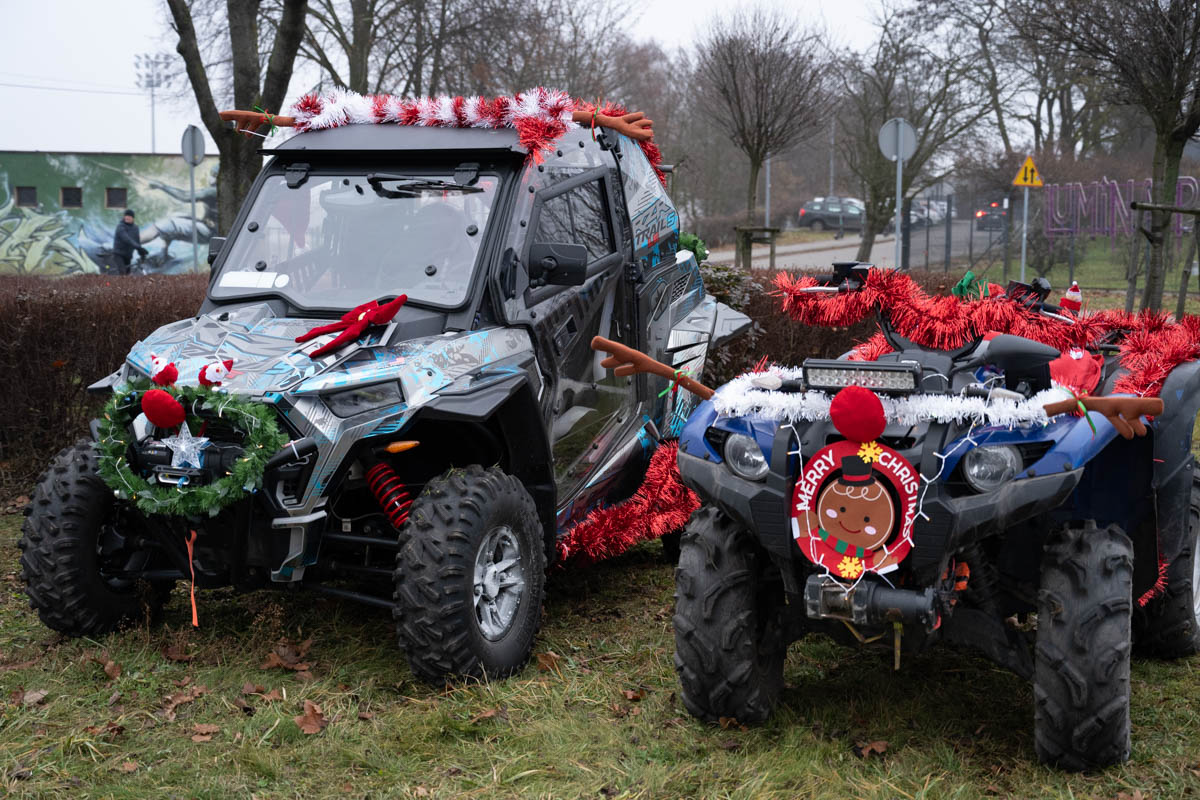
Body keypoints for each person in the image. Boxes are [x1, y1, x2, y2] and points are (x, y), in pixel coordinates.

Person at [112, 209, 148, 275]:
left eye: (129, 216)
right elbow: (126, 239)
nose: (127, 217)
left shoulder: (136, 228)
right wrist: (139, 247)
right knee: (123, 273)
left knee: (128, 274)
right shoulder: (120, 226)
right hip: (118, 254)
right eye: (126, 216)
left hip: (128, 255)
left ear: (133, 218)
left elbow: (137, 241)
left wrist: (141, 252)